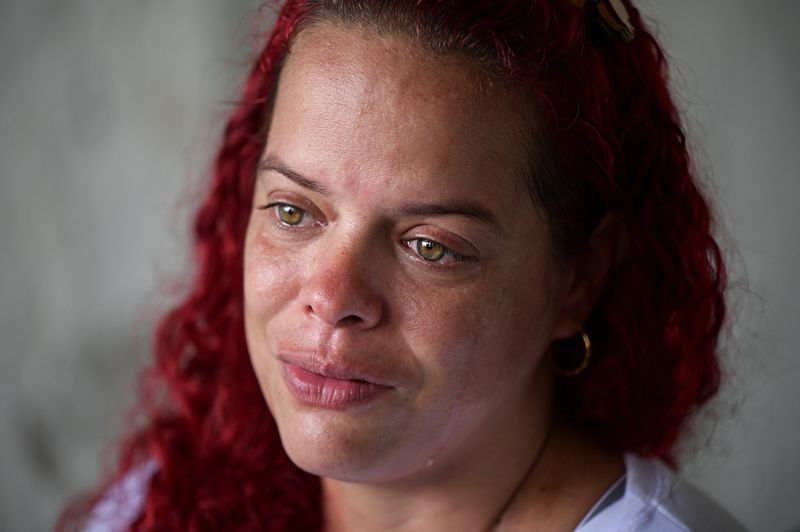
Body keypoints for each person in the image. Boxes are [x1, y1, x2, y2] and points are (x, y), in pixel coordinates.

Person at [60, 0, 748, 530]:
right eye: (294, 212)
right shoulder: (164, 503)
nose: (331, 297)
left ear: (580, 278)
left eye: (430, 246)